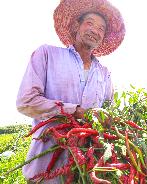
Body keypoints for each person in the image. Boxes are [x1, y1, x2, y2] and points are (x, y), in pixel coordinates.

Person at [16, 0, 125, 183]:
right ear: (77, 25)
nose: (95, 30)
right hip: (46, 168)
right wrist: (74, 110)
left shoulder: (105, 74)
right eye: (89, 23)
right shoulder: (47, 54)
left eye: (101, 28)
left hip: (89, 167)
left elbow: (109, 114)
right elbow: (26, 101)